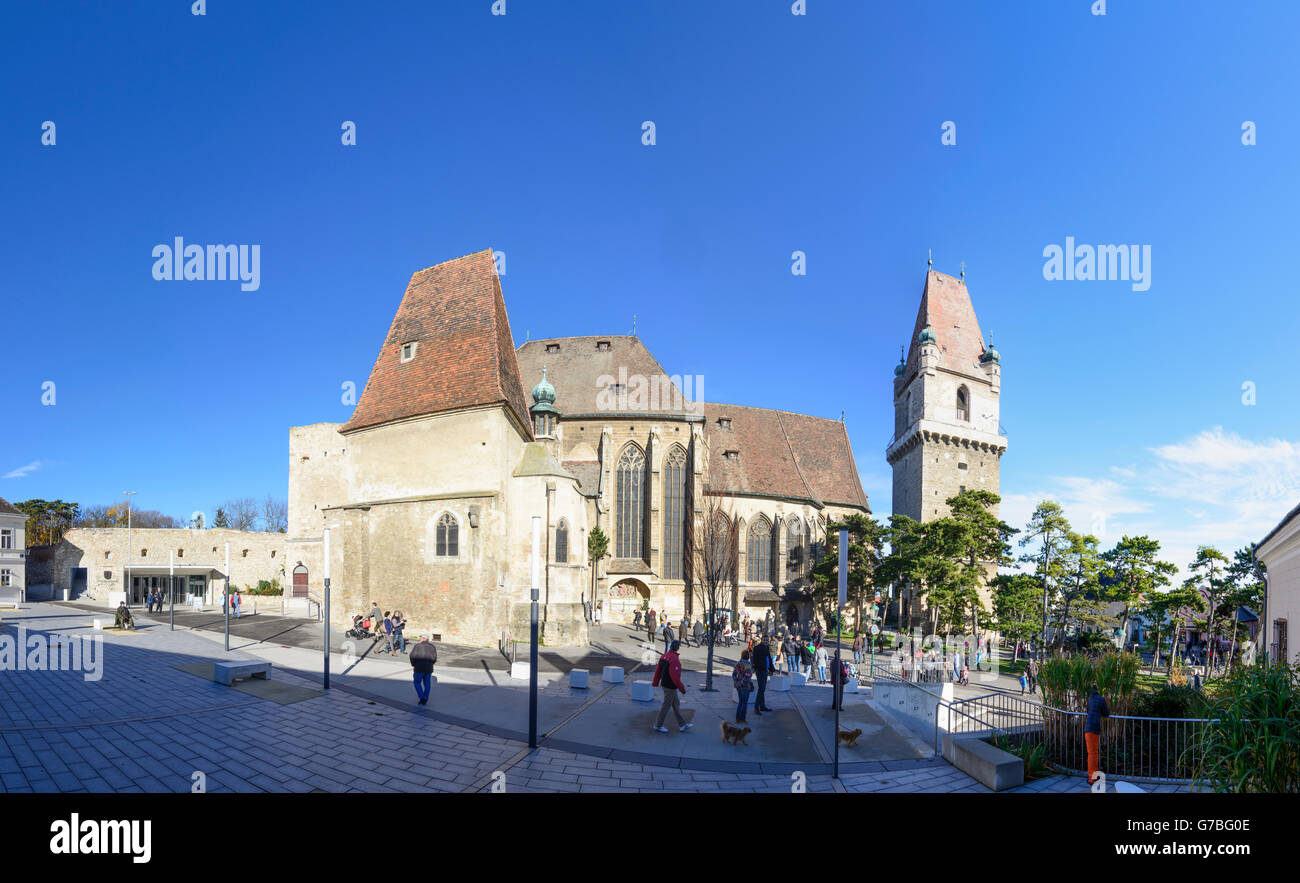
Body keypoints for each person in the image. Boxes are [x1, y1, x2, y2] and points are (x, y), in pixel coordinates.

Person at [652, 640, 693, 733]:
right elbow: (675, 677)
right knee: (666, 706)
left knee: (675, 705)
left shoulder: (664, 655)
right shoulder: (674, 659)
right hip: (670, 686)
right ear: (677, 647)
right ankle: (658, 725)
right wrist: (682, 689)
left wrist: (655, 682)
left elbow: (658, 670)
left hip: (666, 684)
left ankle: (682, 724)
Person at [1085, 685, 1110, 785]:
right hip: (1095, 729)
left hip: (1088, 729)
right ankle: (1092, 778)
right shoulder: (1101, 699)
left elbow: (1087, 711)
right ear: (1098, 691)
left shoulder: (1090, 699)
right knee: (1093, 753)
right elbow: (1106, 713)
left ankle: (1094, 776)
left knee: (1093, 753)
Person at [409, 635, 438, 704]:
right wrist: (430, 664)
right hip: (428, 668)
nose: (419, 639)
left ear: (424, 639)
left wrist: (413, 664)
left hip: (419, 668)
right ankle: (425, 698)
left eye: (421, 637)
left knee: (417, 682)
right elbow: (434, 658)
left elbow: (412, 656)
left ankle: (422, 697)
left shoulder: (417, 646)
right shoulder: (432, 647)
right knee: (427, 684)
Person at [732, 649, 755, 724]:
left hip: (739, 686)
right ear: (748, 656)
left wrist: (737, 682)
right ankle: (742, 719)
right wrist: (743, 683)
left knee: (740, 702)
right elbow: (747, 676)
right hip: (745, 686)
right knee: (744, 703)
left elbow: (734, 674)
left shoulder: (738, 663)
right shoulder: (748, 664)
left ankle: (737, 718)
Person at [752, 636, 773, 714]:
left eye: (767, 640)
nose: (766, 641)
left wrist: (771, 669)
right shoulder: (757, 648)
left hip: (765, 671)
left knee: (762, 689)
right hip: (760, 671)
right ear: (761, 640)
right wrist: (757, 667)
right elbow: (754, 659)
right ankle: (756, 707)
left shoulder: (766, 648)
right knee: (761, 689)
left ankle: (762, 706)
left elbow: (769, 659)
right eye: (764, 640)